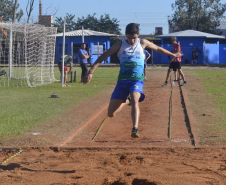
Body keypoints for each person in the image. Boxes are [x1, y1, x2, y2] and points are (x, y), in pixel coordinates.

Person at [82, 23, 182, 138]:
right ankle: (126, 101)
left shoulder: (143, 43)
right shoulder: (119, 45)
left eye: (134, 38)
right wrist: (90, 72)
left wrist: (173, 54)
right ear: (126, 36)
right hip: (122, 81)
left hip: (137, 80)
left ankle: (135, 128)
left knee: (135, 99)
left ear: (138, 35)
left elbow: (158, 48)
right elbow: (102, 57)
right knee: (110, 114)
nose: (132, 40)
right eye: (129, 38)